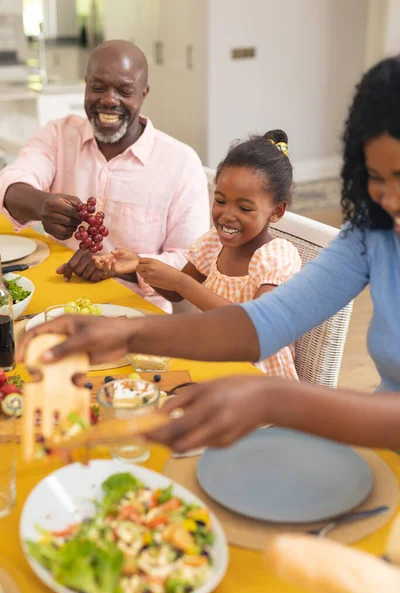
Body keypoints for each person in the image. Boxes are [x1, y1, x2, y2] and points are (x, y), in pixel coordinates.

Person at [18, 56, 400, 453]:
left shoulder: (276, 253)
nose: (389, 200)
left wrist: (274, 399)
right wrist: (125, 332)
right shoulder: (373, 233)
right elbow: (267, 322)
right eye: (375, 177)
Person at [0, 40, 209, 311]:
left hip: (137, 311)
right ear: (86, 84)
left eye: (124, 91)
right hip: (58, 293)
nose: (109, 99)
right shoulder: (59, 135)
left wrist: (121, 268)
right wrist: (42, 206)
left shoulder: (181, 164)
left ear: (144, 94)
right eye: (98, 87)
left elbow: (189, 268)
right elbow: (11, 181)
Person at [92, 129, 302, 378]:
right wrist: (139, 264)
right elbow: (173, 293)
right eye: (221, 201)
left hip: (258, 381)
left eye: (244, 207)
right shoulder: (214, 243)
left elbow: (251, 328)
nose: (227, 215)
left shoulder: (276, 257)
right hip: (214, 362)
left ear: (276, 212)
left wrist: (181, 282)